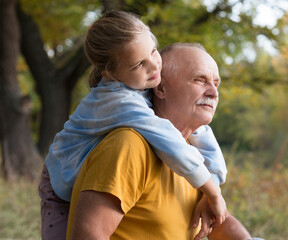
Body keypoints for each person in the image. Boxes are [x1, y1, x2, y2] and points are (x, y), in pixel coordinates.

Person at [38, 11, 227, 239]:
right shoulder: (118, 101)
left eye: (154, 52)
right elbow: (167, 138)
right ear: (110, 72)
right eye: (139, 64)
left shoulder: (139, 83)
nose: (154, 67)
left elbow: (202, 132)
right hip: (61, 174)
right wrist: (211, 191)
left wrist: (214, 182)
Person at [66, 43, 252, 240]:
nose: (213, 93)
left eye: (216, 83)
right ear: (161, 88)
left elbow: (219, 223)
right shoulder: (129, 144)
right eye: (200, 80)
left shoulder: (192, 152)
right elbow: (88, 235)